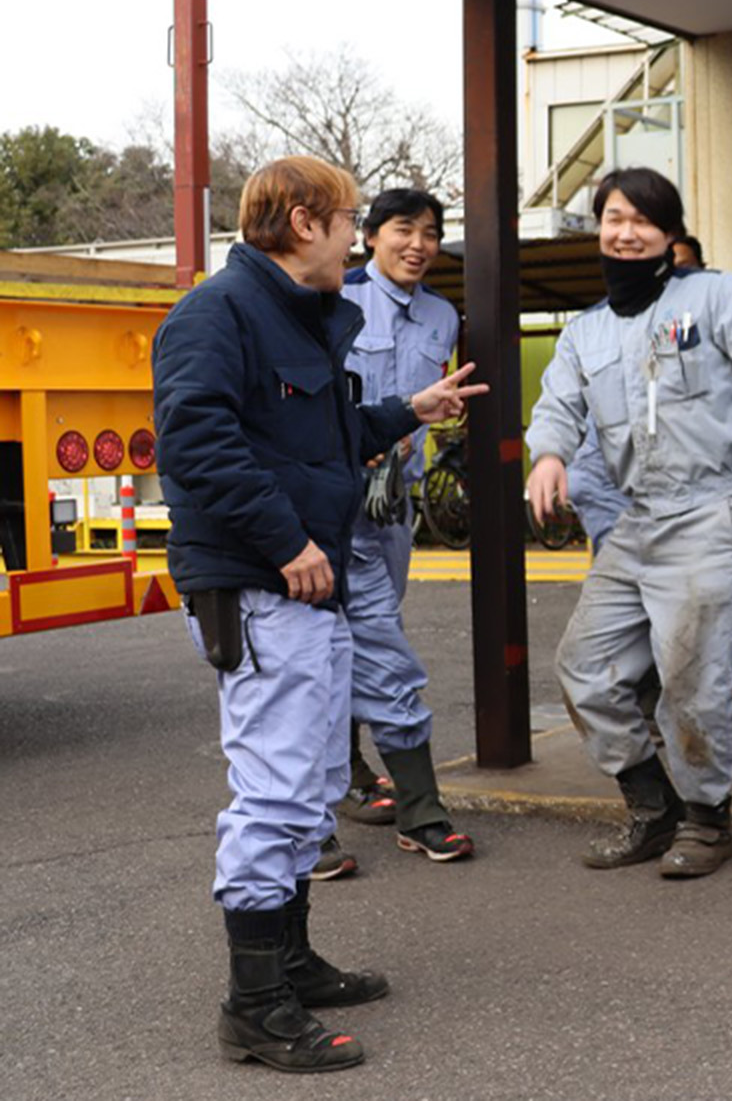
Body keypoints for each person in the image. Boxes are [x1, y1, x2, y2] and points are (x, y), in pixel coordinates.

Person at [153, 156, 486, 1072]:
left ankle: (289, 963)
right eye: (348, 221)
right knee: (274, 792)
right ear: (304, 223)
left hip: (309, 585)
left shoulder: (292, 315)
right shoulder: (216, 314)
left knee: (302, 792)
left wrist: (406, 412)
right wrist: (287, 541)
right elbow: (196, 442)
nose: (358, 237)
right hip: (264, 587)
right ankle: (254, 1007)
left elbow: (320, 437)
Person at [526, 166, 732, 879]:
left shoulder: (711, 296)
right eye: (613, 217)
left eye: (641, 220)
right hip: (638, 522)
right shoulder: (584, 332)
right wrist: (548, 456)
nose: (625, 231)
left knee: (691, 678)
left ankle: (709, 822)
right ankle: (652, 809)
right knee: (584, 669)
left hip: (718, 510)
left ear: (668, 233)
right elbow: (558, 407)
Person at [316, 189, 473, 872]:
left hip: (393, 510)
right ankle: (420, 809)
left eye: (431, 233)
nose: (419, 244)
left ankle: (351, 780)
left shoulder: (442, 314)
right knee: (365, 643)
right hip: (332, 508)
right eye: (404, 230)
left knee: (356, 645)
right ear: (370, 237)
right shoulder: (336, 301)